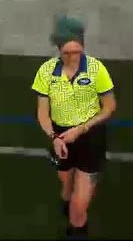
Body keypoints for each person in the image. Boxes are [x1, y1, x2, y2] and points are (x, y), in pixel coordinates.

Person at [32, 16, 117, 240]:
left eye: (77, 52)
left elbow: (109, 106)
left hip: (90, 137)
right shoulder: (46, 72)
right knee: (67, 188)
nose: (72, 58)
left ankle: (77, 224)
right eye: (66, 53)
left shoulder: (96, 69)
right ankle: (70, 204)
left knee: (79, 207)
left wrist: (81, 128)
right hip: (60, 136)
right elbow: (42, 111)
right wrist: (54, 137)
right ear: (58, 50)